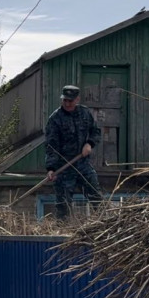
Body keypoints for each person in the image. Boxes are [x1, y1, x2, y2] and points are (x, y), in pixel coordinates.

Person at [45, 84, 103, 220]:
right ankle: (62, 232)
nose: (67, 103)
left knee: (96, 197)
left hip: (83, 164)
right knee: (63, 206)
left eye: (70, 101)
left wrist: (89, 143)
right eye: (64, 100)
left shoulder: (85, 113)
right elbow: (51, 146)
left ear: (77, 99)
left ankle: (104, 226)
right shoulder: (55, 119)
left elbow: (95, 132)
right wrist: (51, 168)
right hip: (63, 167)